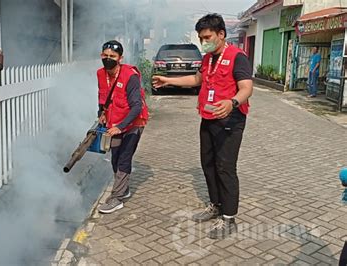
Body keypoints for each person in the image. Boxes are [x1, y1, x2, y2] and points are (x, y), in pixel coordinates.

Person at [153, 14, 253, 239]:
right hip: (208, 118)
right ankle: (215, 206)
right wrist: (168, 80)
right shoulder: (208, 58)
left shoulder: (238, 57)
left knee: (225, 167)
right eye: (200, 38)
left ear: (221, 34)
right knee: (208, 164)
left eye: (207, 37)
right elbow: (197, 80)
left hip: (230, 120)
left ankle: (229, 218)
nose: (203, 42)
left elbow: (246, 87)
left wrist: (232, 102)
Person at [96, 40, 149, 214]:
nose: (108, 59)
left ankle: (116, 198)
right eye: (106, 55)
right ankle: (123, 189)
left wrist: (121, 126)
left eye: (113, 56)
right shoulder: (100, 74)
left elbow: (136, 106)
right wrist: (101, 113)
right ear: (101, 55)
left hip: (133, 123)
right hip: (114, 123)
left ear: (120, 58)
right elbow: (102, 97)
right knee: (115, 158)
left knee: (124, 158)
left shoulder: (129, 76)